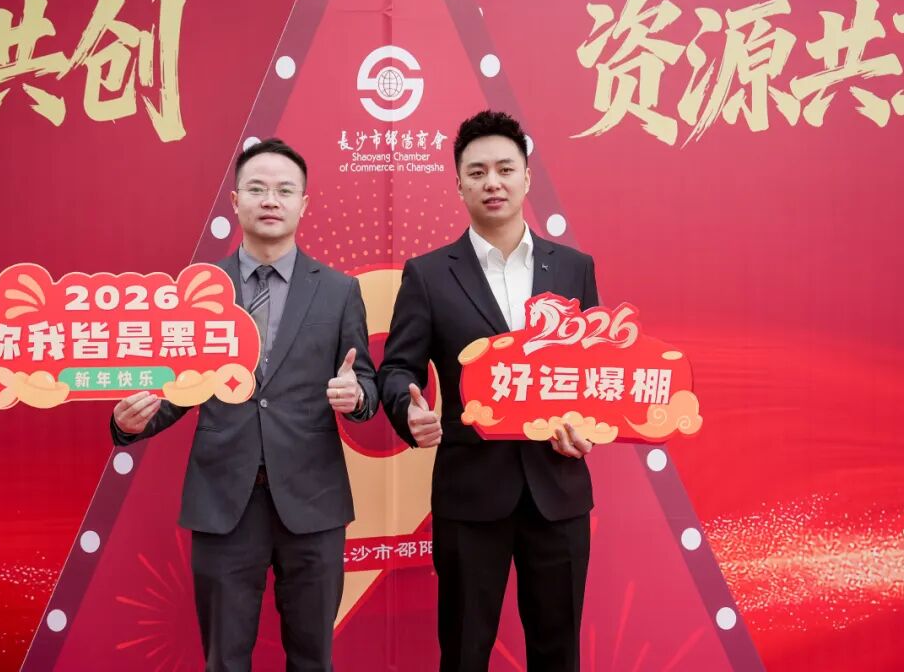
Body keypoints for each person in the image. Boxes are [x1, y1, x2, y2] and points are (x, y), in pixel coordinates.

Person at [111, 138, 378, 672]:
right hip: (224, 501)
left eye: (285, 190)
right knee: (224, 659)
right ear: (235, 202)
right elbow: (176, 388)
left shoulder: (339, 291)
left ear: (304, 203)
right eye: (257, 189)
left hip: (313, 500)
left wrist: (357, 397)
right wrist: (129, 423)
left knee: (313, 658)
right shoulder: (196, 293)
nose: (270, 200)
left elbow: (365, 381)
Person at [379, 111, 599, 671]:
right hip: (470, 492)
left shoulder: (574, 268)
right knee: (464, 651)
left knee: (559, 653)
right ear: (459, 184)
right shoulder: (429, 274)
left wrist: (589, 427)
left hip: (558, 489)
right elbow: (397, 368)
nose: (492, 182)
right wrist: (408, 409)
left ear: (527, 177)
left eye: (505, 169)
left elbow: (593, 372)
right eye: (477, 172)